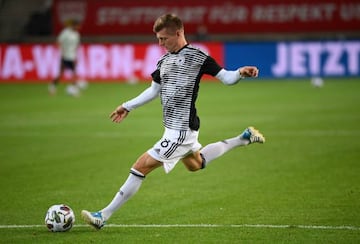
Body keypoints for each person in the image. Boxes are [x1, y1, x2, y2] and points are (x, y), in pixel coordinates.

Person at [81, 13, 265, 230]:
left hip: (181, 131)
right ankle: (243, 138)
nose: (160, 44)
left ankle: (103, 215)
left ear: (178, 33)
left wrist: (241, 73)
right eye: (158, 40)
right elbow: (153, 91)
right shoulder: (164, 61)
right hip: (172, 129)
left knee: (140, 167)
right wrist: (127, 106)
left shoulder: (199, 58)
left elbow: (226, 77)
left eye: (164, 39)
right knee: (196, 164)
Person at [49, 19, 87, 96]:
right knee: (61, 74)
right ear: (74, 25)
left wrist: (76, 56)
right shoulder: (65, 33)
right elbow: (58, 42)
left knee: (74, 74)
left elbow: (76, 46)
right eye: (77, 26)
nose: (78, 27)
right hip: (65, 56)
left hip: (72, 57)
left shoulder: (76, 35)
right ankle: (52, 85)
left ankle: (72, 89)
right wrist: (62, 50)